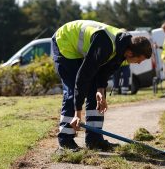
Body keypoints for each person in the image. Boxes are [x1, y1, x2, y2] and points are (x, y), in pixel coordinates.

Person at [52, 20, 153, 151]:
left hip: (81, 51)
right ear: (130, 53)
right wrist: (78, 113)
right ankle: (65, 141)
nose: (139, 63)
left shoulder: (122, 49)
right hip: (64, 42)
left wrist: (100, 91)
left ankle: (94, 139)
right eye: (140, 60)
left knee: (96, 94)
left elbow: (104, 71)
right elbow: (82, 78)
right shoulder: (105, 44)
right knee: (72, 90)